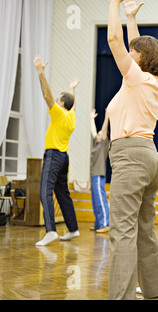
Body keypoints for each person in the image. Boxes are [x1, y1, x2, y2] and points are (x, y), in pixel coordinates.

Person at [106, 0, 158, 299]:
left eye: (134, 53)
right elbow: (132, 45)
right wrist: (131, 16)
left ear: (140, 59)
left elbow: (114, 40)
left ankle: (121, 296)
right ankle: (153, 291)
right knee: (144, 231)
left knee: (122, 231)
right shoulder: (151, 82)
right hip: (150, 157)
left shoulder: (135, 78)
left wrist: (113, 4)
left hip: (130, 157)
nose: (128, 55)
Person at [33, 55, 80, 247]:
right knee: (63, 194)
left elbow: (47, 96)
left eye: (59, 99)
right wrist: (72, 90)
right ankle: (73, 229)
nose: (56, 100)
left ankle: (51, 231)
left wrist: (41, 73)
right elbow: (73, 104)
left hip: (53, 156)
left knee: (45, 191)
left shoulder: (60, 113)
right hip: (64, 158)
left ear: (61, 104)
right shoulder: (71, 115)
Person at [89, 109, 110, 233]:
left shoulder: (103, 146)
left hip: (99, 175)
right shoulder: (95, 144)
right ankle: (98, 223)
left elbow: (104, 130)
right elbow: (93, 131)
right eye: (98, 134)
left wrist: (107, 116)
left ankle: (105, 224)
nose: (98, 135)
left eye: (100, 134)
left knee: (101, 199)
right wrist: (91, 118)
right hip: (93, 175)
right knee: (95, 200)